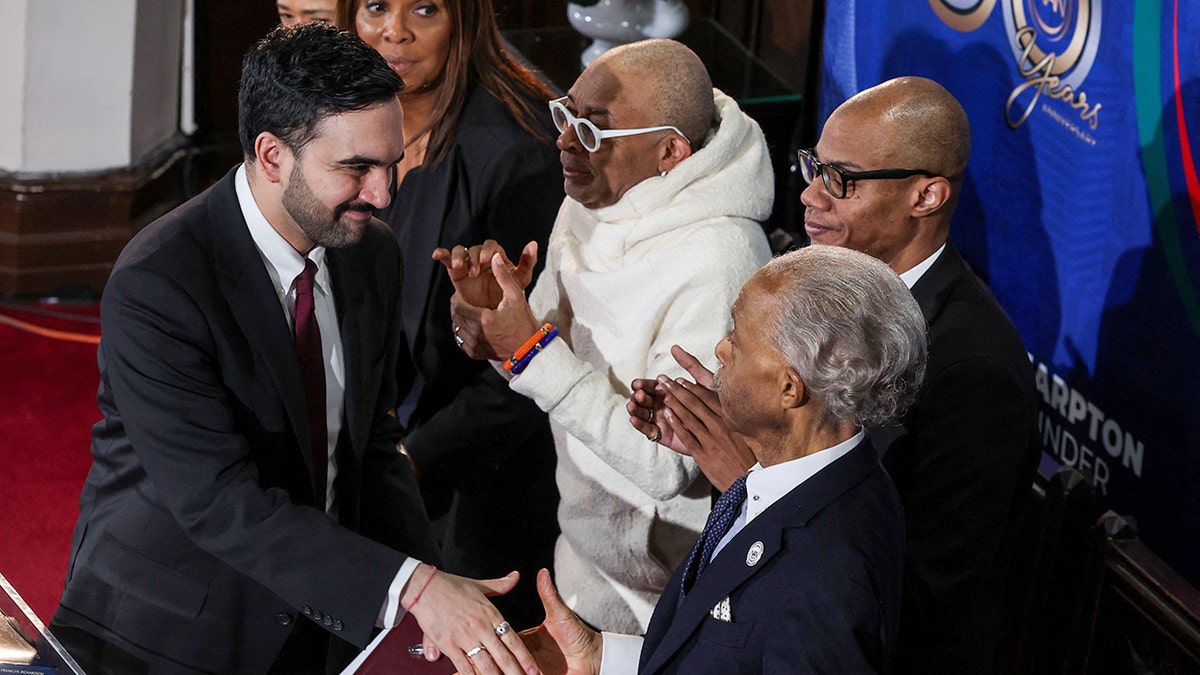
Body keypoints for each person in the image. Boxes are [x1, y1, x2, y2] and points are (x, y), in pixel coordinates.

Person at [46, 23, 539, 675]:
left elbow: (369, 443)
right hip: (170, 630)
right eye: (356, 168)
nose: (383, 194)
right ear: (273, 155)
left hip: (325, 615)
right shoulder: (161, 280)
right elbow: (219, 500)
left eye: (390, 164)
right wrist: (412, 586)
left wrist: (428, 587)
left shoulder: (372, 253)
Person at [630, 76, 1040, 673]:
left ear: (926, 196)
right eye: (813, 168)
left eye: (841, 180)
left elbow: (912, 603)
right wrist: (743, 418)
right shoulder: (821, 282)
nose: (810, 197)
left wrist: (746, 473)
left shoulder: (973, 371)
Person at [440, 38, 774, 634]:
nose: (565, 141)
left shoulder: (720, 259)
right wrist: (496, 327)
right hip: (581, 556)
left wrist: (525, 348)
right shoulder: (591, 199)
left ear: (670, 151)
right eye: (565, 115)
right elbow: (541, 365)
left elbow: (669, 462)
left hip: (666, 597)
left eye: (592, 131)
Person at [518, 245, 928, 674]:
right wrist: (603, 658)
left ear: (790, 389)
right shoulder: (802, 480)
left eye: (736, 337)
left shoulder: (828, 575)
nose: (720, 349)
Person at [336, 0, 564, 628]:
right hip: (370, 444)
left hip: (476, 475)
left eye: (426, 9)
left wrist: (412, 459)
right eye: (376, 6)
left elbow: (534, 356)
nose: (394, 30)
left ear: (465, 21)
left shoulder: (517, 152)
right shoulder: (340, 121)